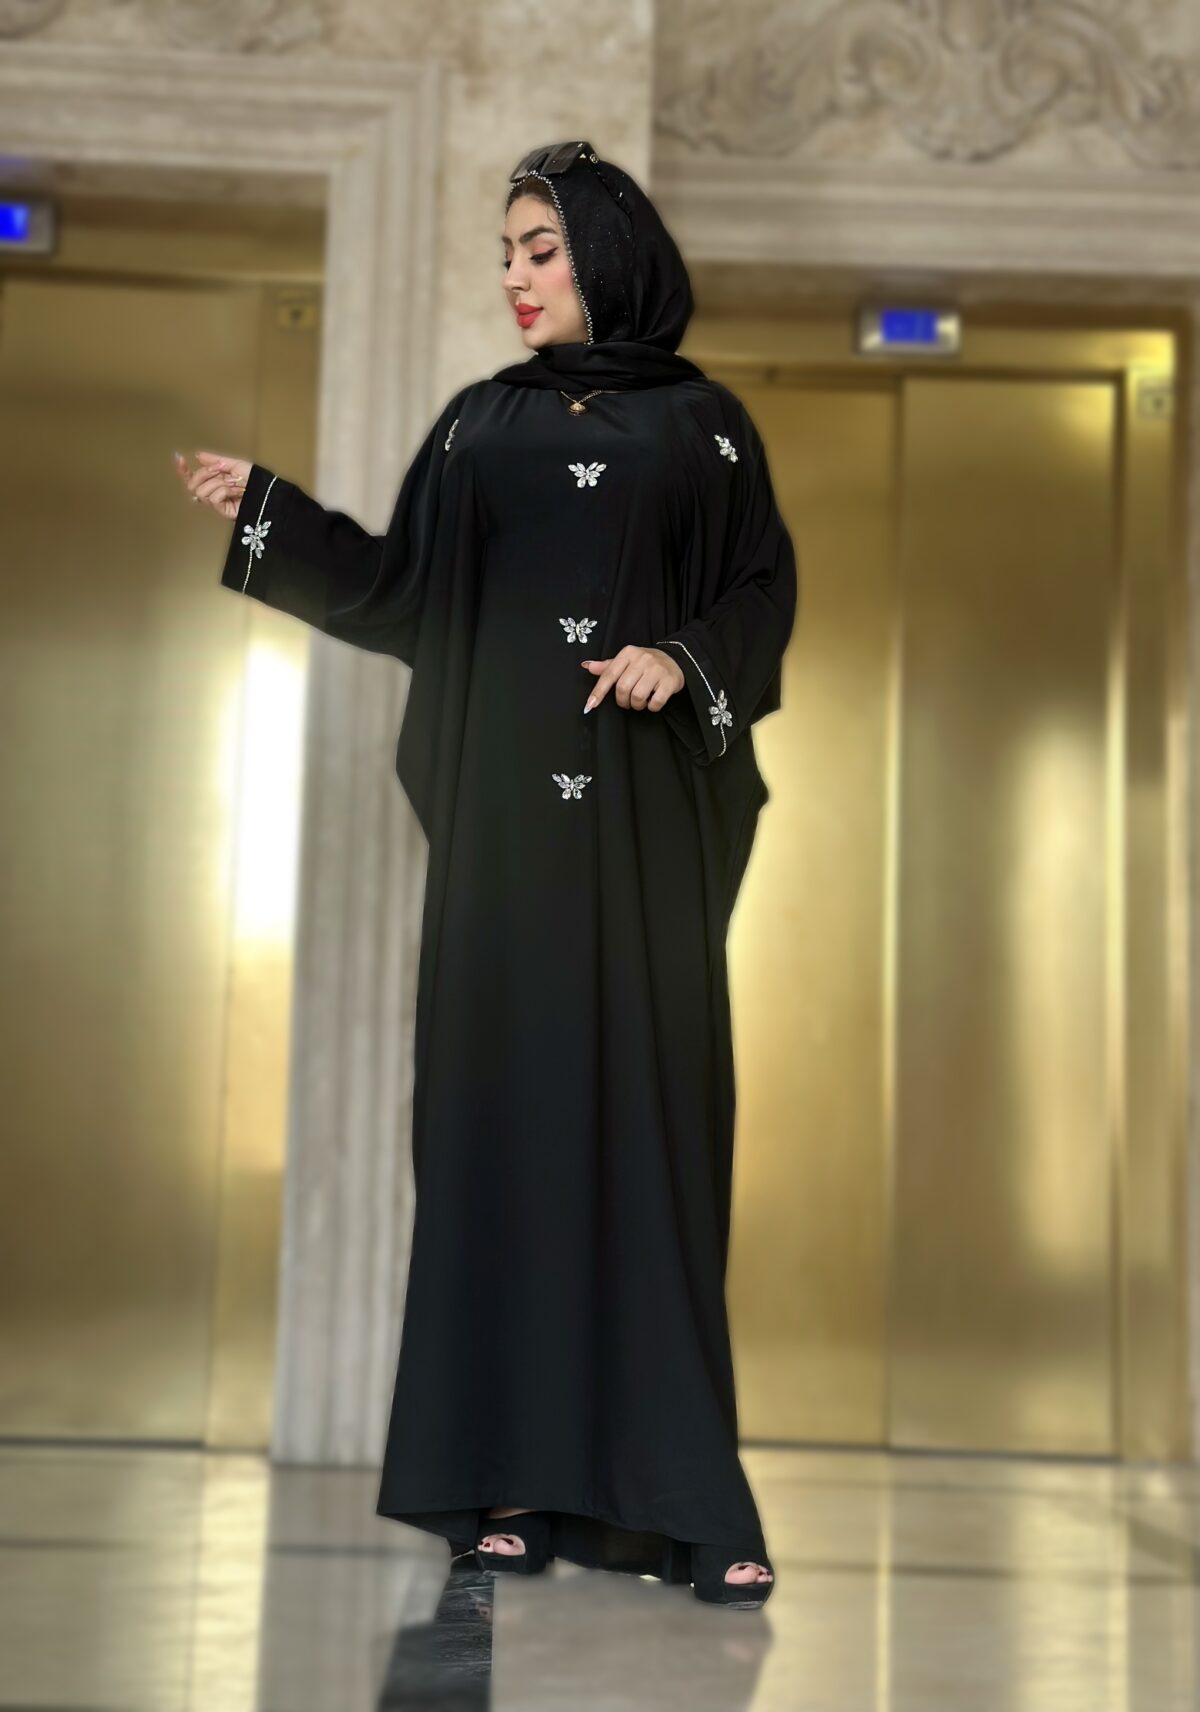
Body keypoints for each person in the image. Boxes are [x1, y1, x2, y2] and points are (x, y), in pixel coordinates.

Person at [176, 140, 797, 1611]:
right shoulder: (478, 424)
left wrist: (680, 657)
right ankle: (506, 1486)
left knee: (650, 1136)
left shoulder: (707, 427)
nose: (515, 278)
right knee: (502, 1131)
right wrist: (272, 516)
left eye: (540, 250)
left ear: (607, 255)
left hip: (639, 828)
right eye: (507, 254)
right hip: (509, 833)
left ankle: (688, 1499)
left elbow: (760, 589)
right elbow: (403, 589)